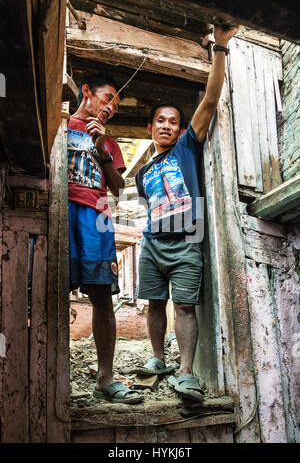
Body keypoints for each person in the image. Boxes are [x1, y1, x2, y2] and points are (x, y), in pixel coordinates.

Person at [134, 25, 239, 401]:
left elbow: (210, 100)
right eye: (160, 121)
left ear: (180, 130)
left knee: (185, 306)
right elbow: (149, 207)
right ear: (150, 128)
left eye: (172, 122)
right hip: (152, 244)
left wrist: (221, 47)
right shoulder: (144, 171)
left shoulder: (186, 149)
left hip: (186, 243)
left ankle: (186, 373)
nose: (166, 125)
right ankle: (159, 359)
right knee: (154, 303)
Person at [68, 74, 143, 404]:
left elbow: (118, 188)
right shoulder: (62, 123)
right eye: (108, 97)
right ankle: (54, 375)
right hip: (62, 208)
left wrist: (102, 150)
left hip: (97, 216)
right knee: (54, 290)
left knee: (102, 296)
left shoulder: (109, 143)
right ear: (87, 92)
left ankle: (105, 378)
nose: (111, 106)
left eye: (116, 103)